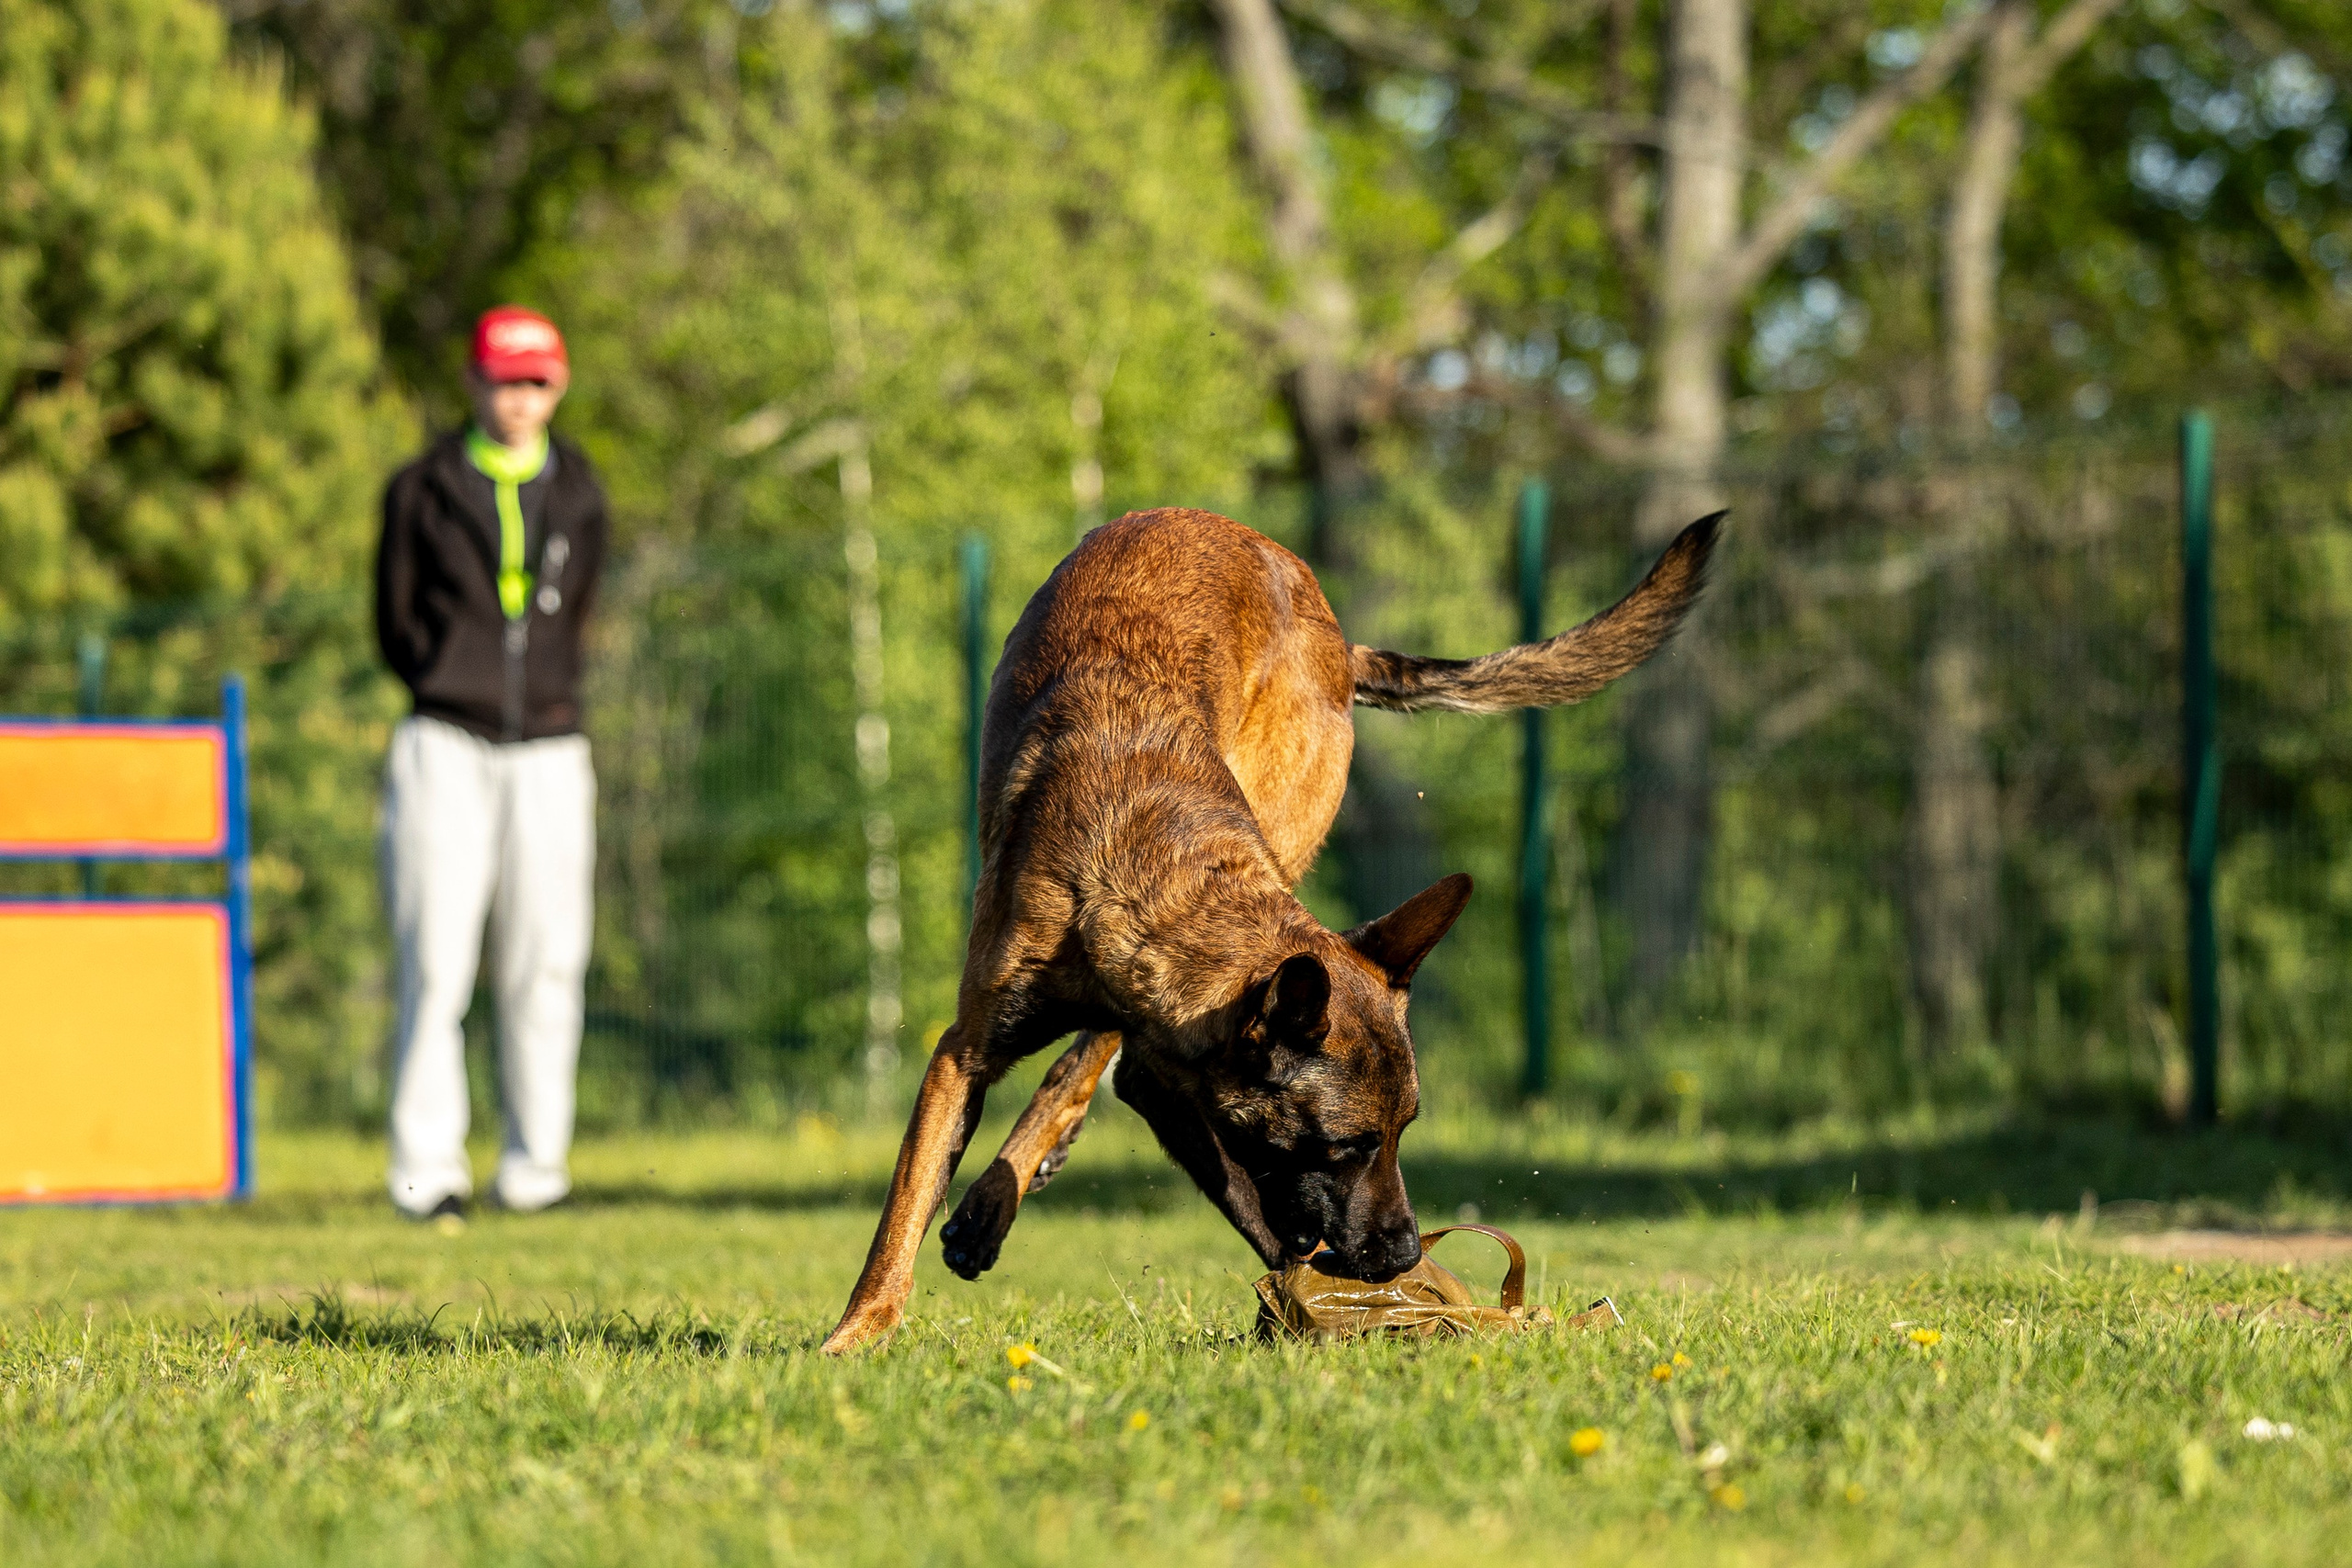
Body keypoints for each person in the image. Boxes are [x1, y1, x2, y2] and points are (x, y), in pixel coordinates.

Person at [374, 306, 608, 1219]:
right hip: (444, 741)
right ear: (473, 383)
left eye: (537, 382)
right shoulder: (421, 489)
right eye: (504, 380)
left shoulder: (583, 492)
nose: (519, 398)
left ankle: (535, 1172)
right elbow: (395, 622)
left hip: (550, 748)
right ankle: (426, 1173)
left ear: (559, 387)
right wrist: (453, 683)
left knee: (547, 959)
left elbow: (579, 607)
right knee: (434, 956)